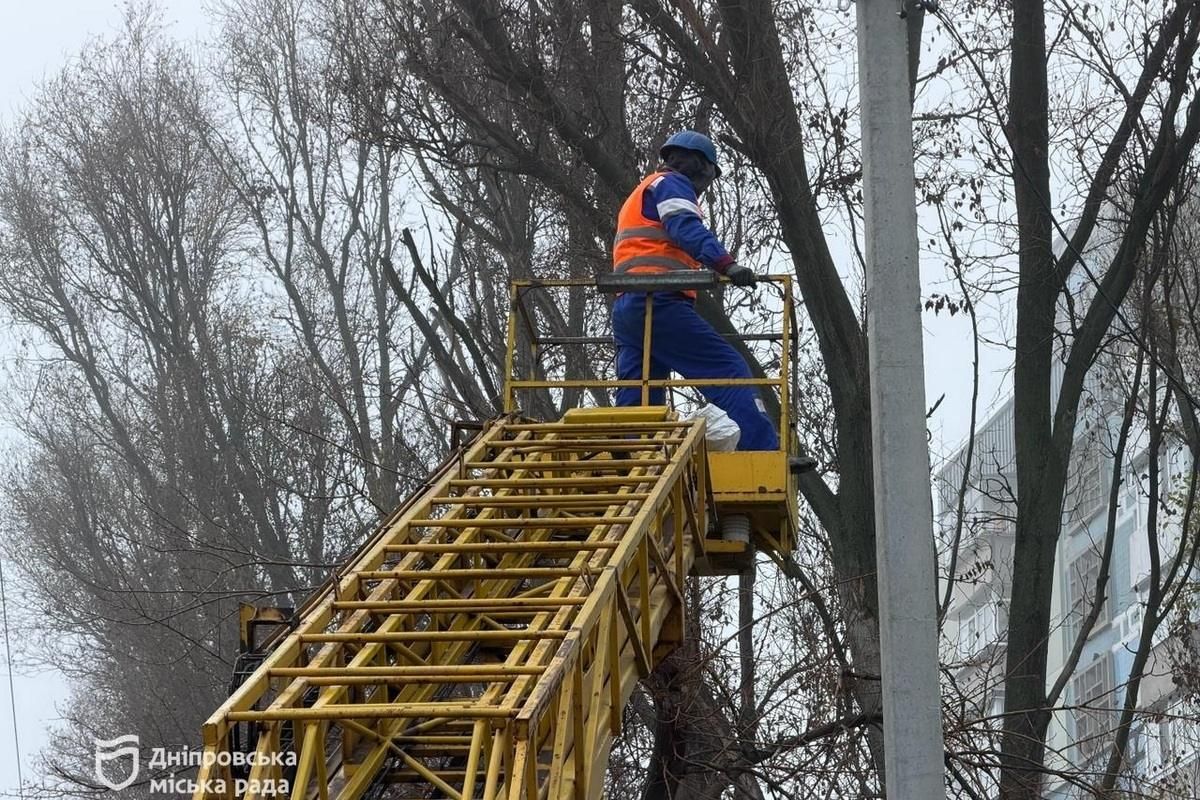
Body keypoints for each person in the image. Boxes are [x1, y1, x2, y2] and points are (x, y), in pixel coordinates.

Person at [611, 130, 779, 451]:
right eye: (708, 178)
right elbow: (685, 227)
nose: (705, 187)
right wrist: (726, 265)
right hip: (660, 304)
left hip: (628, 309)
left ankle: (630, 458)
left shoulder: (641, 191)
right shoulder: (672, 185)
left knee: (640, 397)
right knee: (729, 370)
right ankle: (762, 448)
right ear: (699, 166)